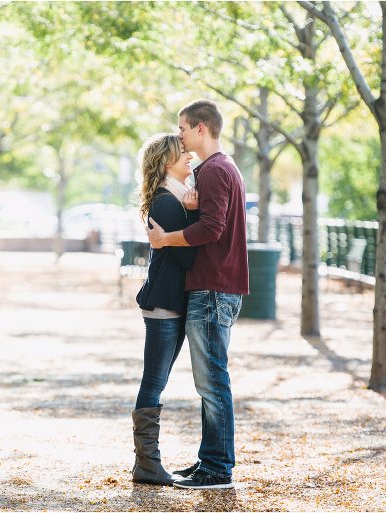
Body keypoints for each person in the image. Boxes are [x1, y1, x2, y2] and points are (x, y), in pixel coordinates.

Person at [146, 100, 248, 490]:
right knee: (209, 380)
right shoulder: (221, 167)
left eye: (183, 128)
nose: (180, 136)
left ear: (201, 128)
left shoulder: (215, 170)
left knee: (212, 381)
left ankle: (218, 468)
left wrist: (166, 239)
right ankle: (211, 460)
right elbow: (210, 222)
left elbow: (213, 228)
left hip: (213, 287)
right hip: (217, 286)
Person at [131, 133, 198, 486]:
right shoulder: (168, 203)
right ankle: (146, 464)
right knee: (154, 383)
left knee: (156, 382)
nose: (189, 156)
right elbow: (187, 257)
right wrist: (194, 213)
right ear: (165, 161)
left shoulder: (171, 198)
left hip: (168, 304)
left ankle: (147, 463)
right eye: (182, 152)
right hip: (164, 307)